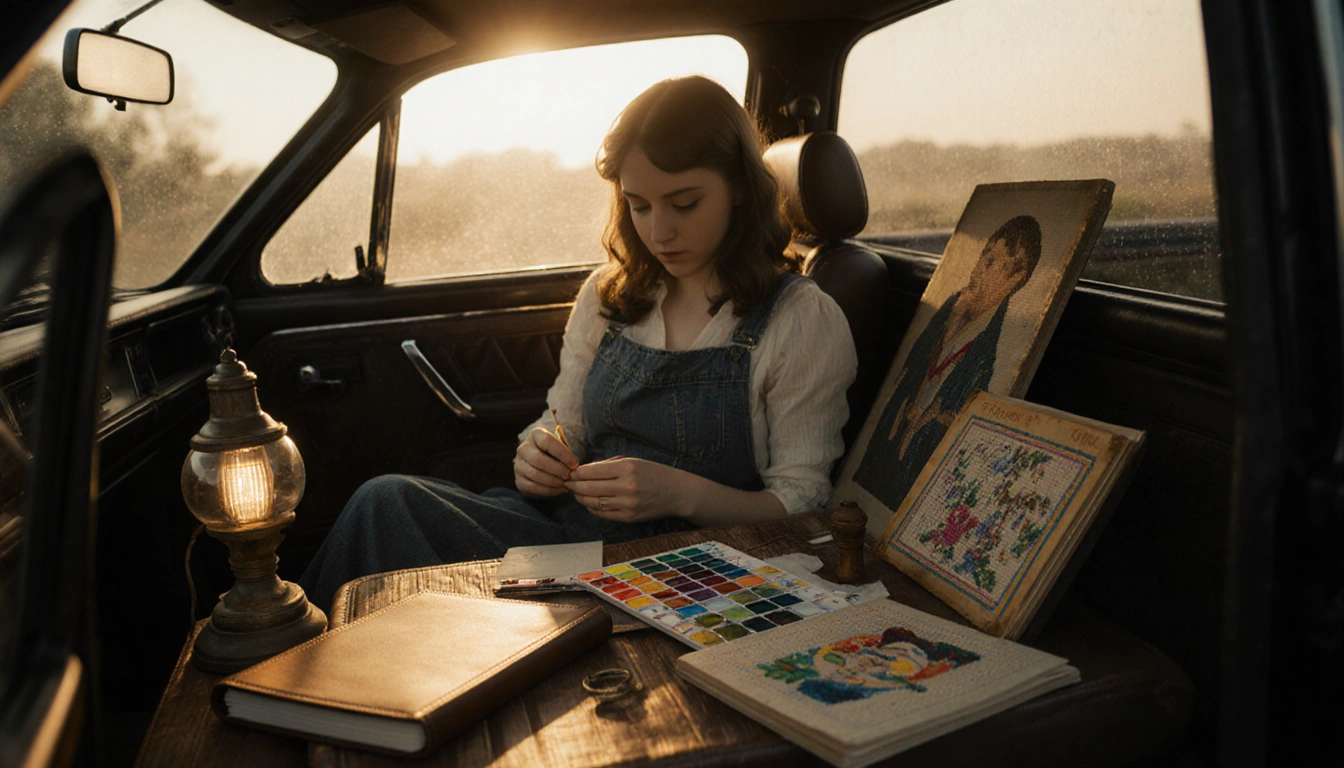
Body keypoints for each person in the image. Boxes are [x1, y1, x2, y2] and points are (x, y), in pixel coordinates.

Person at [299, 76, 857, 611]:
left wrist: (681, 495)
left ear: (739, 187)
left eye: (684, 204)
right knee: (385, 501)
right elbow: (562, 424)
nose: (659, 230)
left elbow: (802, 504)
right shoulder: (608, 294)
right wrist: (538, 453)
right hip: (571, 539)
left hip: (689, 567)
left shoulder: (800, 319)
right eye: (639, 205)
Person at [852, 214, 1041, 512]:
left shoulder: (992, 349)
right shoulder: (951, 307)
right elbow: (912, 368)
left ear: (1014, 279)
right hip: (891, 446)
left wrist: (930, 418)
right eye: (983, 255)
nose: (978, 268)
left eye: (991, 262)